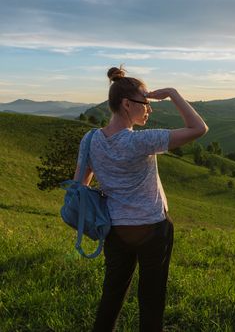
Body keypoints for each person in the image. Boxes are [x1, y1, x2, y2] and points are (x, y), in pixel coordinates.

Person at [74, 66, 208, 331]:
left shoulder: (90, 140)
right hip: (152, 229)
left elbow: (80, 185)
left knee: (111, 295)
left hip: (114, 230)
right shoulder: (142, 141)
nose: (149, 108)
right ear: (126, 104)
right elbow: (198, 128)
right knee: (151, 299)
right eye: (145, 103)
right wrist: (172, 93)